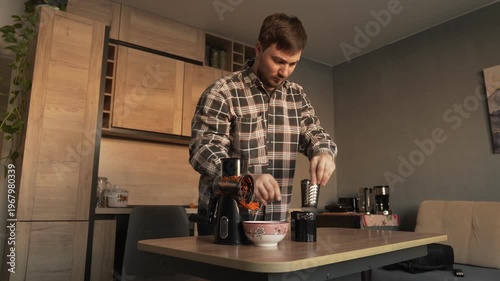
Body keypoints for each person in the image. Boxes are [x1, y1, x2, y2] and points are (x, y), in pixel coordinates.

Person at [189, 13, 337, 235]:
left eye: (292, 63)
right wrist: (245, 181)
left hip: (275, 223)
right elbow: (203, 150)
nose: (284, 72)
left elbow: (314, 133)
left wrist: (324, 153)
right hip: (225, 220)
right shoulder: (223, 92)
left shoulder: (296, 96)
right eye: (278, 61)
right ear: (258, 49)